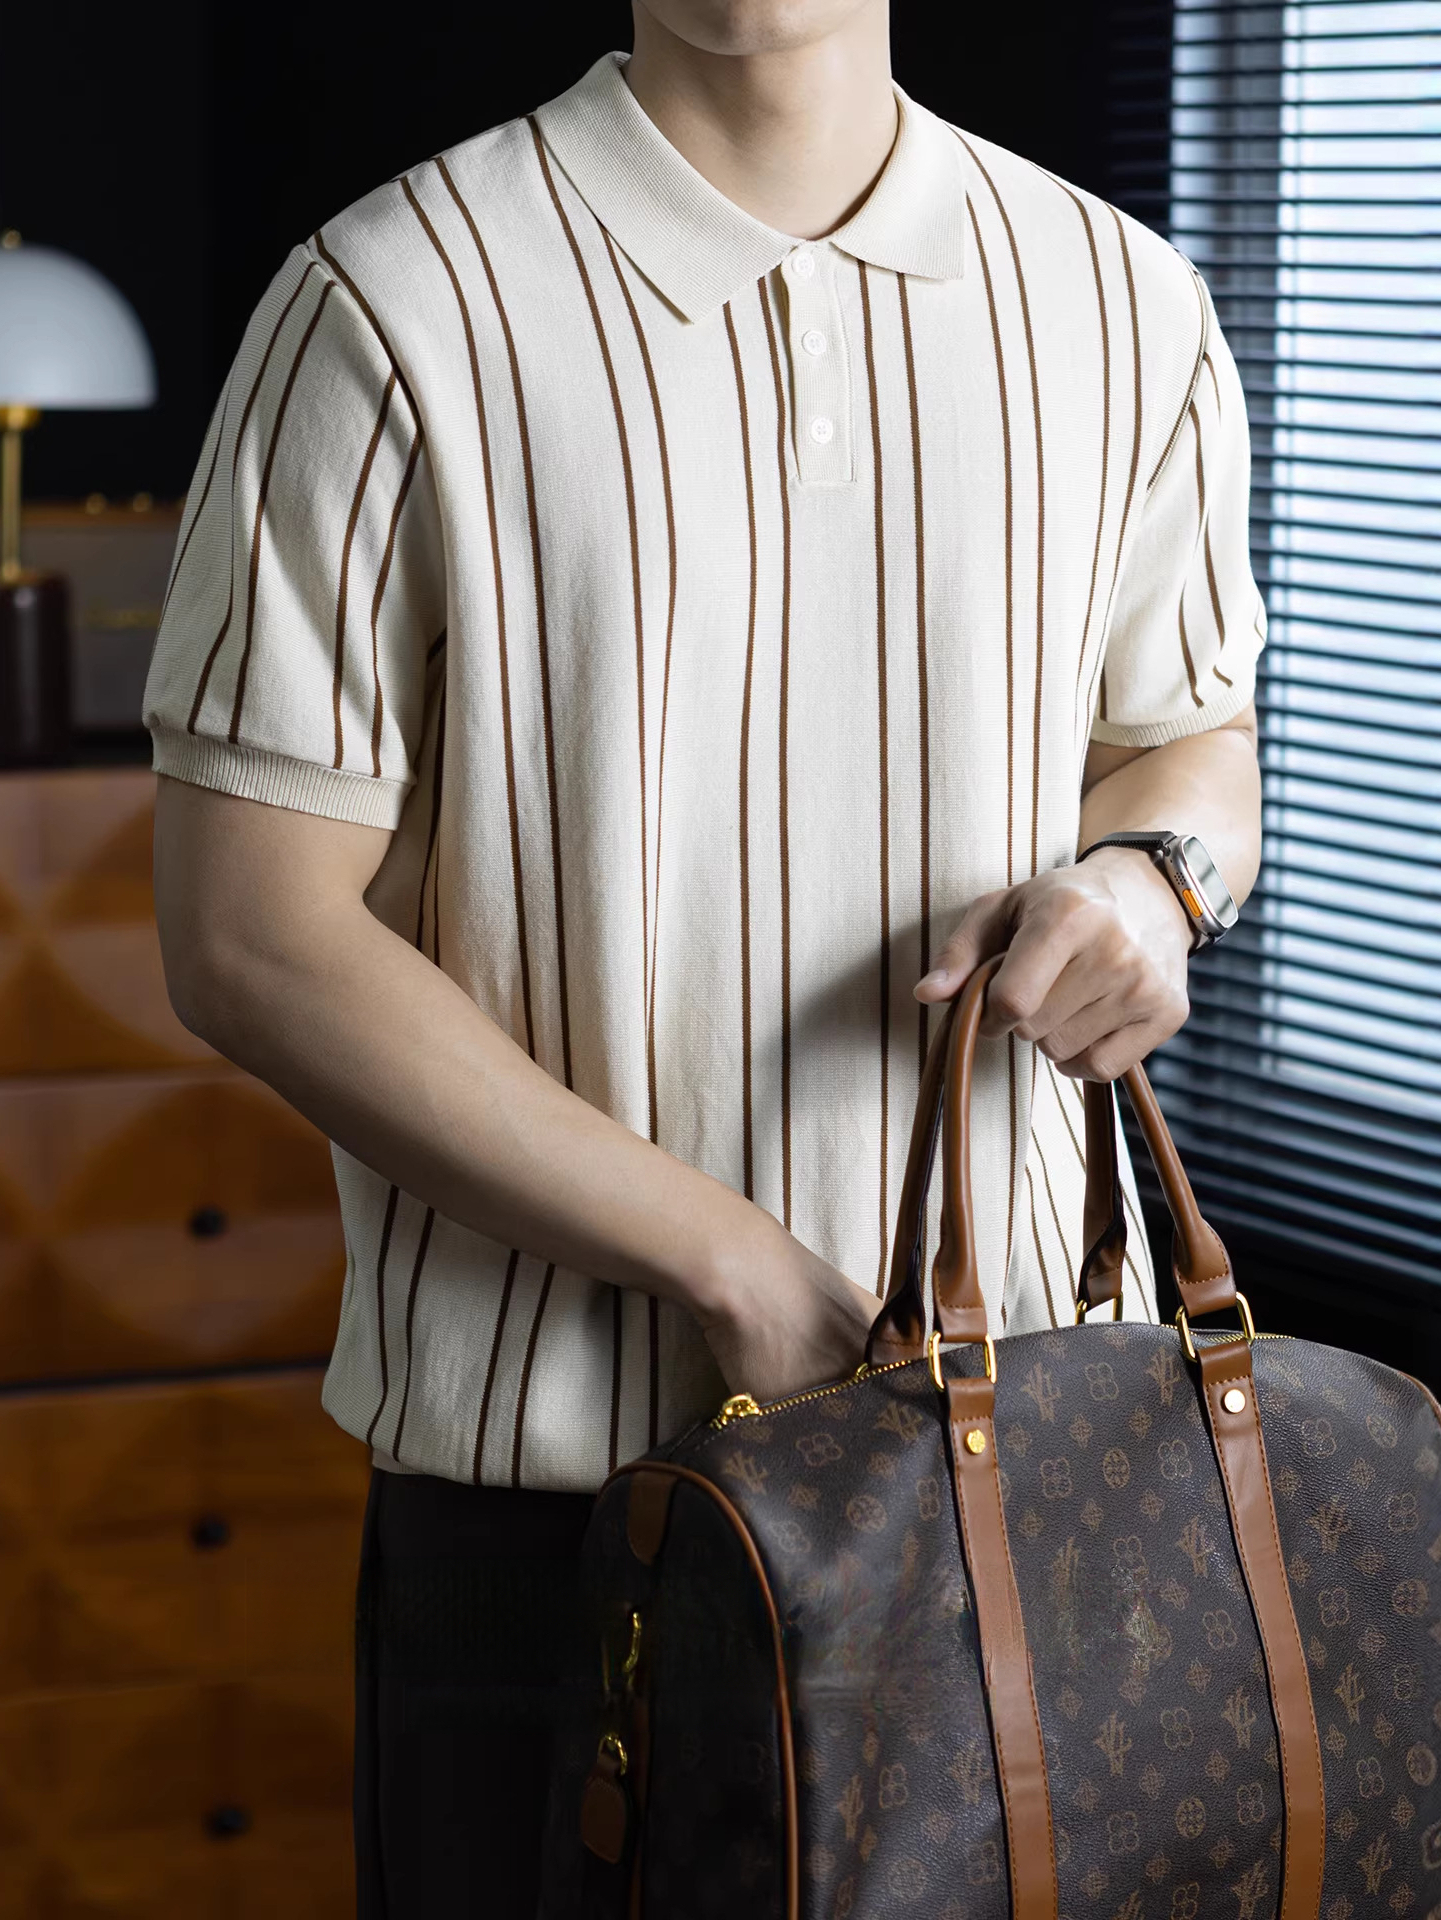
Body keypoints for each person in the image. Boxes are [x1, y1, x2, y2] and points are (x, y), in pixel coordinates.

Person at [145, 0, 1263, 1910]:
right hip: (554, 1519)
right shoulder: (392, 299)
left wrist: (1153, 885)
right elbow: (247, 934)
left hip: (1020, 1470)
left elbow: (1187, 741)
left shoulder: (1118, 294)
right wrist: (723, 1262)